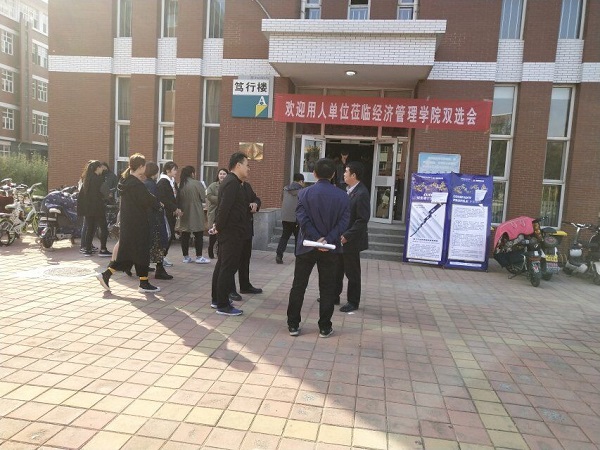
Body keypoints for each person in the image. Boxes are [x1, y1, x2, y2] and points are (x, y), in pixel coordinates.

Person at [287, 158, 350, 338]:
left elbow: (302, 219)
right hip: (330, 248)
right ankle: (324, 327)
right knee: (328, 288)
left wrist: (316, 238)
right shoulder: (343, 196)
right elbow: (344, 221)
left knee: (299, 286)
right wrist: (327, 239)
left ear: (314, 173)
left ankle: (293, 325)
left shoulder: (304, 193)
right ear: (333, 174)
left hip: (306, 247)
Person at [97, 153, 162, 293]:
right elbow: (147, 200)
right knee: (138, 253)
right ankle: (139, 283)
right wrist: (158, 204)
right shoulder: (136, 184)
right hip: (137, 224)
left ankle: (141, 282)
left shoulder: (125, 181)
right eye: (144, 166)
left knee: (131, 254)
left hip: (129, 223)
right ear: (141, 167)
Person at [209, 152, 250, 315]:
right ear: (238, 165)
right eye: (246, 165)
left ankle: (217, 300)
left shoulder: (232, 182)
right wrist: (218, 226)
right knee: (227, 268)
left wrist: (218, 226)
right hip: (231, 232)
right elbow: (224, 208)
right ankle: (223, 305)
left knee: (222, 266)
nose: (248, 169)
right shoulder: (232, 183)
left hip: (229, 231)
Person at [334, 161, 370, 313]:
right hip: (341, 237)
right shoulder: (348, 190)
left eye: (346, 172)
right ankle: (334, 296)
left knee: (352, 272)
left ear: (353, 175)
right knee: (337, 269)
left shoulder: (361, 193)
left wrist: (347, 235)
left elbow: (362, 219)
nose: (344, 174)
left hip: (352, 240)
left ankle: (353, 301)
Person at [230, 180, 262, 298]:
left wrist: (255, 204)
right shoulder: (232, 185)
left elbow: (256, 198)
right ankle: (230, 289)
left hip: (247, 228)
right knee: (232, 261)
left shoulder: (247, 186)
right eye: (246, 169)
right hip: (235, 229)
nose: (247, 171)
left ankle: (245, 285)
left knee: (245, 259)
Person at [143, 161, 172, 280]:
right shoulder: (152, 185)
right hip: (155, 219)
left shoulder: (145, 184)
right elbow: (154, 202)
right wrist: (160, 205)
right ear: (154, 173)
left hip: (148, 219)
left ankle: (145, 266)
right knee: (159, 244)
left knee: (150, 245)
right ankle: (159, 270)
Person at [78, 160, 111, 257]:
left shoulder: (87, 180)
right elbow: (106, 193)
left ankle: (88, 249)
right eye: (101, 167)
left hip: (88, 208)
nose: (102, 169)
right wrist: (109, 196)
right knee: (104, 228)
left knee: (90, 228)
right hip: (98, 207)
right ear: (97, 168)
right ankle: (103, 249)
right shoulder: (99, 179)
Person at [178, 165, 210, 264]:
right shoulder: (197, 183)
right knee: (199, 234)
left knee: (185, 234)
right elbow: (203, 197)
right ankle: (199, 256)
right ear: (192, 173)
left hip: (184, 211)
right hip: (196, 211)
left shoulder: (181, 184)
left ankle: (186, 257)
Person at [276, 173, 305, 264]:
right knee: (298, 238)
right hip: (296, 218)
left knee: (284, 237)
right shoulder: (302, 191)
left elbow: (282, 200)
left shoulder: (285, 189)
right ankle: (298, 256)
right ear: (301, 181)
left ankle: (279, 255)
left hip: (285, 217)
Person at [157, 161, 181, 267]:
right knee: (167, 235)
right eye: (174, 169)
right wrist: (174, 208)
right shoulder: (163, 182)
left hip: (171, 212)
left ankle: (162, 256)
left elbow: (175, 196)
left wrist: (177, 208)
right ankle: (161, 257)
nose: (176, 172)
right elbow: (163, 198)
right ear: (167, 170)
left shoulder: (172, 182)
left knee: (170, 235)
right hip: (165, 213)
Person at [206, 168, 228, 259]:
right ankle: (210, 249)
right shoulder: (213, 185)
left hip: (224, 212)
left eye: (224, 174)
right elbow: (209, 196)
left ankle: (219, 252)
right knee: (213, 233)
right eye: (220, 174)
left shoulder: (229, 185)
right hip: (213, 212)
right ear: (218, 175)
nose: (222, 175)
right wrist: (222, 200)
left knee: (222, 233)